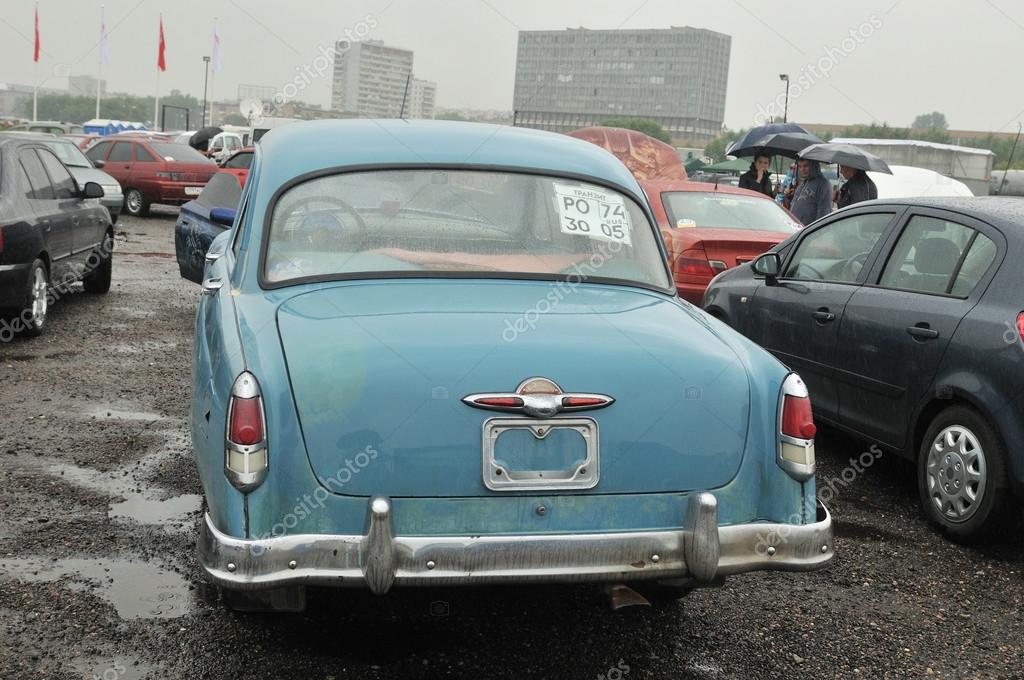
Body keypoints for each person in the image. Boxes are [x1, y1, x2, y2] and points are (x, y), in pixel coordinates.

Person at [789, 159, 833, 225]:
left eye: (806, 166)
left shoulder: (823, 184)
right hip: (796, 228)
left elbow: (824, 213)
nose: (802, 169)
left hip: (809, 231)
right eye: (800, 166)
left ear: (813, 166)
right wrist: (788, 197)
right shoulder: (803, 183)